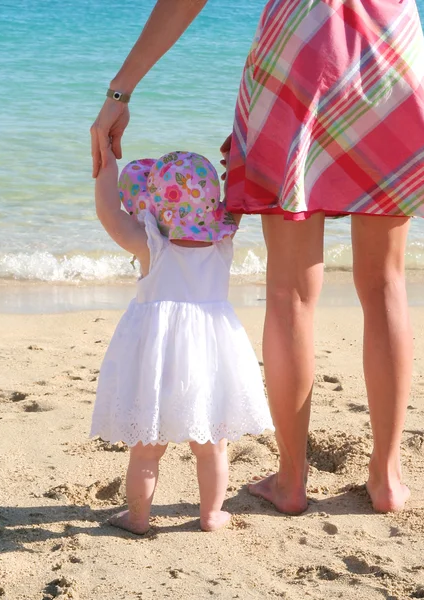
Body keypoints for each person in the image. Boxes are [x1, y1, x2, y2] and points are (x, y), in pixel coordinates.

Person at [91, 0, 424, 514]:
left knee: (290, 293)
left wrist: (120, 92)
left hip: (296, 58)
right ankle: (387, 478)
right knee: (385, 283)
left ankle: (291, 480)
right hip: (391, 52)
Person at [90, 148, 273, 533]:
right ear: (212, 205)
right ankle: (210, 515)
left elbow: (109, 212)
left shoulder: (151, 244)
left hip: (156, 357)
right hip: (210, 353)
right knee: (212, 444)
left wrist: (107, 166)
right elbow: (238, 198)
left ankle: (138, 517)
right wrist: (239, 162)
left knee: (146, 449)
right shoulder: (223, 239)